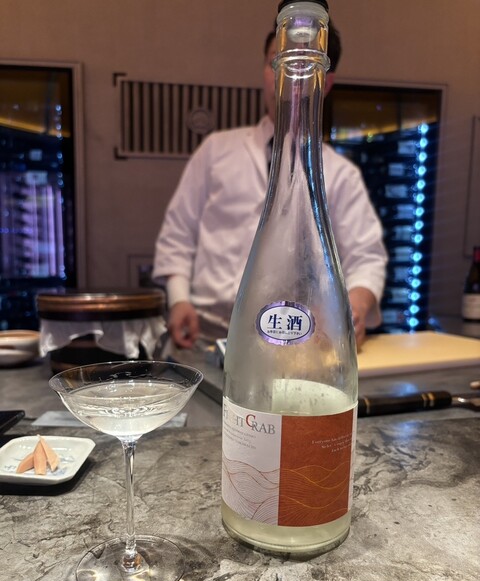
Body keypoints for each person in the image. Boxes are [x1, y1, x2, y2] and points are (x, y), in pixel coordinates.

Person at [153, 20, 388, 349]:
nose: (286, 77)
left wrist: (356, 307)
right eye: (275, 62)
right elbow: (178, 233)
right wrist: (179, 299)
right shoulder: (216, 151)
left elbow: (366, 257)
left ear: (326, 81)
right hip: (205, 335)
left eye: (302, 65)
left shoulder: (341, 174)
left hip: (297, 342)